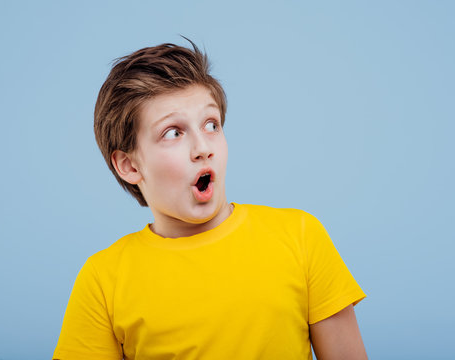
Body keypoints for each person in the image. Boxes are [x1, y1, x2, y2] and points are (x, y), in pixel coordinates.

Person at [53, 38, 368, 360]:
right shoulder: (104, 279)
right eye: (173, 132)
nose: (204, 147)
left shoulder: (300, 236)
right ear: (130, 165)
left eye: (211, 124)